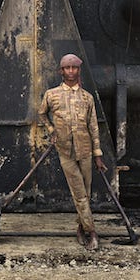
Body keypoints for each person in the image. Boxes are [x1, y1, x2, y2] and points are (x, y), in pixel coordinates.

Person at [37, 52, 107, 250]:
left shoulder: (87, 98)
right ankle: (92, 232)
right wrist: (51, 130)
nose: (70, 71)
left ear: (78, 70)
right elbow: (42, 114)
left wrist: (98, 155)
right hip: (65, 150)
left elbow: (93, 127)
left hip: (85, 150)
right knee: (79, 192)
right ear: (61, 71)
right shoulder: (51, 95)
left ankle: (80, 228)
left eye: (74, 67)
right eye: (67, 68)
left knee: (86, 192)